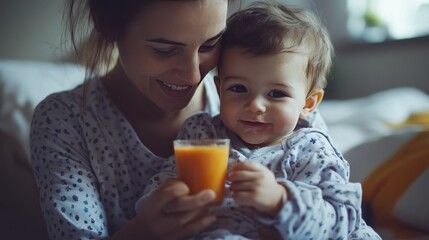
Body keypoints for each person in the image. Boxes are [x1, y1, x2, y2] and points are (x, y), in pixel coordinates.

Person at [30, 0, 327, 239]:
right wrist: (143, 232)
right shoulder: (64, 121)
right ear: (107, 25)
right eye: (165, 50)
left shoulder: (287, 113)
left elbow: (338, 216)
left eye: (210, 44)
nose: (194, 76)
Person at [137, 1, 381, 239]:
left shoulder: (311, 150)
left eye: (276, 94)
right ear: (219, 89)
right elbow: (165, 181)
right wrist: (164, 204)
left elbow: (343, 218)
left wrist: (280, 199)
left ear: (308, 104)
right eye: (239, 88)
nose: (254, 105)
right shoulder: (203, 134)